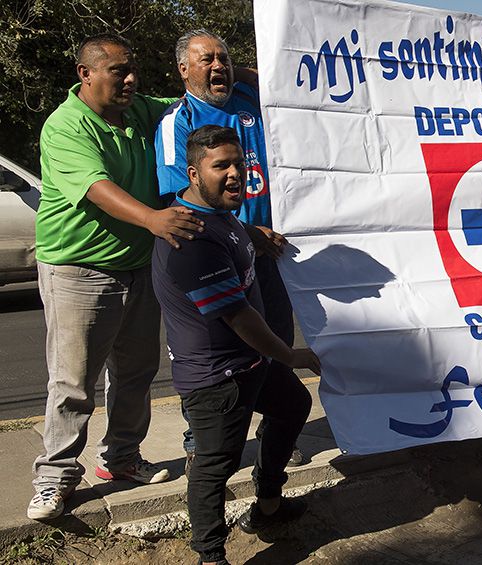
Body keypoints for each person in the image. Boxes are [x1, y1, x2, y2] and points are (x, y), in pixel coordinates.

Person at [28, 33, 204, 521]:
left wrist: (240, 74)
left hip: (138, 264)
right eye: (117, 72)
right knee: (74, 382)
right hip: (78, 267)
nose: (129, 80)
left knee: (136, 372)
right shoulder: (65, 127)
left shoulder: (142, 110)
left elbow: (199, 100)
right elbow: (97, 188)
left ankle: (122, 460)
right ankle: (55, 479)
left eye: (133, 71)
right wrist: (153, 219)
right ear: (85, 75)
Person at [153, 125, 319, 564]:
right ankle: (210, 555)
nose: (234, 175)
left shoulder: (221, 217)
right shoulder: (189, 239)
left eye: (239, 165)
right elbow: (238, 315)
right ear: (192, 173)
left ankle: (267, 507)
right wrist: (291, 355)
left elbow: (233, 237)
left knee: (293, 407)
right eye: (220, 166)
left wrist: (252, 234)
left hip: (250, 363)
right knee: (214, 466)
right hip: (216, 378)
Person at [155, 29, 304, 473]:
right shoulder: (175, 121)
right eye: (206, 60)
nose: (218, 66)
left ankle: (275, 431)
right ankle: (199, 439)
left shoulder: (247, 97)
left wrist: (250, 72)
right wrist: (245, 232)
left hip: (267, 254)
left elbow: (285, 83)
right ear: (184, 69)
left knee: (273, 338)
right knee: (216, 348)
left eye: (224, 58)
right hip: (216, 253)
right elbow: (177, 200)